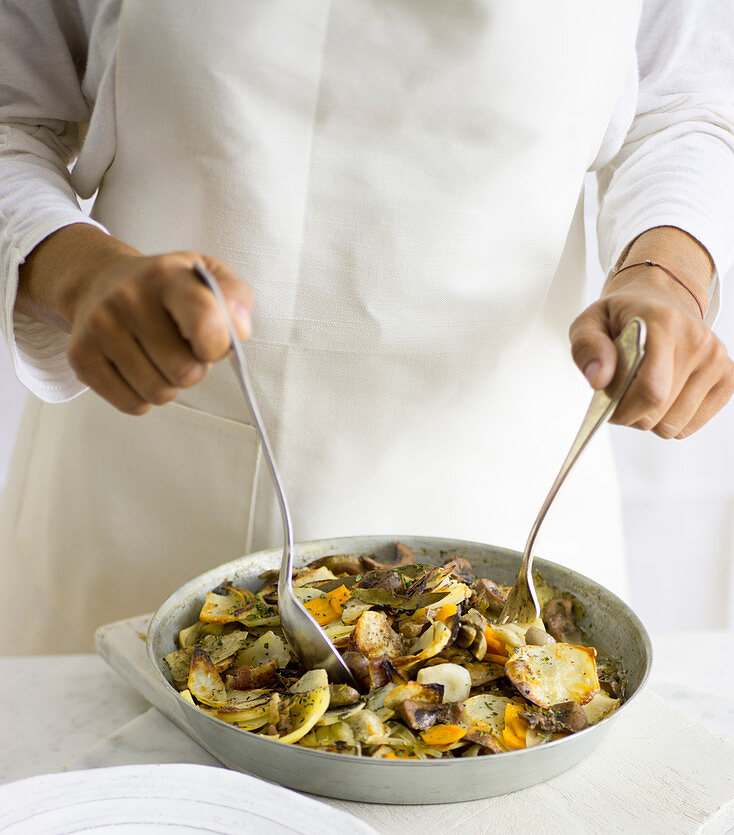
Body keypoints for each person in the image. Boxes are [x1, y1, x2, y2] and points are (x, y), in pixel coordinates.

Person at [1, 0, 733, 655]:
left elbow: (681, 105)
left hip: (506, 493)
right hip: (142, 488)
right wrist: (82, 272)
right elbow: (11, 116)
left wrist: (665, 274)